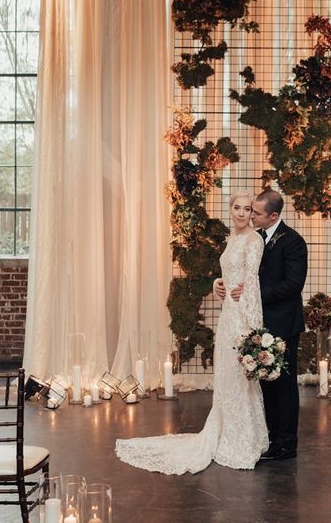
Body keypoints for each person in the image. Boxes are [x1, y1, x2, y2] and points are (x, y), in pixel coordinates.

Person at [115, 192, 268, 474]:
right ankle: (224, 435)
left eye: (247, 209)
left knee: (238, 377)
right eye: (237, 207)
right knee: (225, 378)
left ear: (252, 213)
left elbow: (252, 281)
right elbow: (230, 275)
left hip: (241, 318)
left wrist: (252, 327)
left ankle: (244, 441)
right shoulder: (232, 240)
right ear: (230, 209)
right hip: (227, 315)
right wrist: (217, 284)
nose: (242, 213)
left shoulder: (254, 240)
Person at [215, 189, 307, 462]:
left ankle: (287, 444)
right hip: (257, 320)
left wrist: (251, 293)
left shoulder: (293, 242)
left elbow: (293, 284)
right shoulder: (255, 237)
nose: (250, 215)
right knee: (265, 385)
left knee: (285, 387)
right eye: (247, 210)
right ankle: (269, 437)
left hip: (283, 323)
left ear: (274, 216)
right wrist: (225, 285)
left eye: (256, 212)